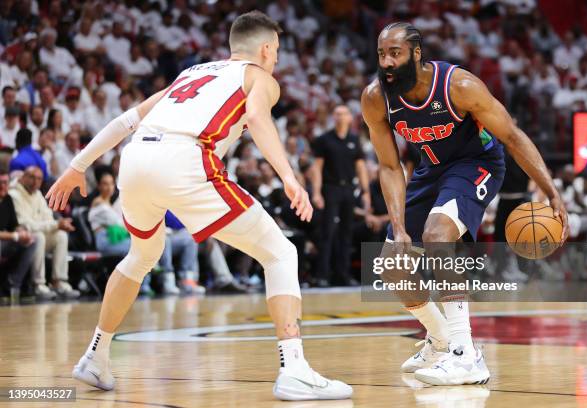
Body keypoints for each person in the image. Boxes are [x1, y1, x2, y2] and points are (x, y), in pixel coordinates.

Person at [46, 11, 352, 401]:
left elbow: (127, 121)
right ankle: (294, 369)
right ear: (265, 49)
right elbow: (257, 118)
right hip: (187, 158)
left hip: (136, 158)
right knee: (280, 253)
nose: (275, 59)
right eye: (275, 52)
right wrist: (290, 177)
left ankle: (95, 356)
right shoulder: (260, 77)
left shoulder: (192, 72)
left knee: (142, 256)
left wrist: (77, 167)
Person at [361, 23, 568, 386]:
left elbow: (512, 136)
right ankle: (441, 340)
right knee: (392, 265)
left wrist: (551, 190)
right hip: (432, 170)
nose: (387, 62)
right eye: (382, 54)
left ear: (416, 53)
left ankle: (466, 356)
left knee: (438, 235)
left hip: (478, 163)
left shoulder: (459, 86)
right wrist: (397, 227)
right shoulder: (376, 98)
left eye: (395, 53)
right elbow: (390, 166)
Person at [310, 105, 369, 287]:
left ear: (350, 118)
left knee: (346, 232)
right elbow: (317, 168)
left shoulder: (354, 139)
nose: (339, 116)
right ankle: (322, 275)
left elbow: (360, 167)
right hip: (330, 189)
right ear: (332, 118)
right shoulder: (324, 140)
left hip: (348, 190)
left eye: (343, 113)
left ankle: (342, 275)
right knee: (327, 232)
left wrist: (365, 191)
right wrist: (317, 192)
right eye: (336, 114)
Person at [10, 166, 79, 299]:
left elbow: (49, 219)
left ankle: (58, 282)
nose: (35, 182)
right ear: (23, 177)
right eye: (32, 177)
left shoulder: (38, 195)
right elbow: (26, 225)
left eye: (39, 179)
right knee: (39, 237)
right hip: (20, 240)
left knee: (61, 235)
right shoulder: (14, 195)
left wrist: (57, 225)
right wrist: (55, 224)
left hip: (36, 236)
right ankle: (38, 284)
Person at [0, 169, 37, 303]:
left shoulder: (8, 199)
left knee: (33, 240)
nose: (3, 186)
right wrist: (16, 236)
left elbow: (14, 224)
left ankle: (12, 285)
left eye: (5, 182)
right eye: (0, 183)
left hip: (6, 241)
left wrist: (22, 232)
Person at [88, 172, 130, 257]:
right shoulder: (98, 202)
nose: (109, 187)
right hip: (104, 240)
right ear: (99, 186)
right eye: (105, 184)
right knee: (138, 247)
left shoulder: (109, 204)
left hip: (114, 238)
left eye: (111, 183)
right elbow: (118, 223)